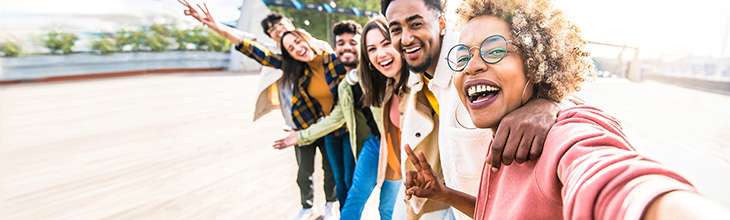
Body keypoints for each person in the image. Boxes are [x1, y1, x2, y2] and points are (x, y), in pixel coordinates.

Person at [402, 0, 730, 219]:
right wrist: (444, 194)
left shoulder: (564, 134)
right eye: (463, 56)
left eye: (494, 49)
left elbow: (613, 181)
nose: (472, 66)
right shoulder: (505, 137)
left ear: (535, 63)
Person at [381, 0, 560, 218]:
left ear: (442, 22)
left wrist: (547, 105)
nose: (406, 38)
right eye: (396, 29)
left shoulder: (472, 66)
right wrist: (443, 193)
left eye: (416, 24)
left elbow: (562, 87)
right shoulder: (415, 81)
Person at [176, 1, 336, 219]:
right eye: (273, 32)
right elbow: (252, 47)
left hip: (328, 124)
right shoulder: (284, 60)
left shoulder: (323, 51)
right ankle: (307, 207)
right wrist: (215, 25)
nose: (279, 32)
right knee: (304, 172)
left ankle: (330, 206)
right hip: (300, 126)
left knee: (331, 171)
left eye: (281, 26)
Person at [274, 18, 405, 219]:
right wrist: (300, 136)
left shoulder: (404, 74)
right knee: (354, 196)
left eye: (386, 44)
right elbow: (335, 118)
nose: (380, 53)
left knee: (387, 208)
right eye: (372, 49)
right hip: (376, 144)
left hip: (400, 146)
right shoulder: (350, 84)